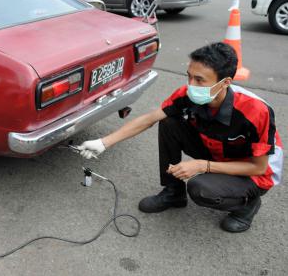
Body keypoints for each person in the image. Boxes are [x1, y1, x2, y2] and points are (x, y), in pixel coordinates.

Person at [77, 43, 283, 233]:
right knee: (169, 123)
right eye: (189, 76)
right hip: (217, 151)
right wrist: (104, 142)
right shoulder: (188, 93)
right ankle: (173, 192)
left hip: (253, 172)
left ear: (225, 82)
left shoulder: (255, 111)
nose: (191, 84)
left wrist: (203, 166)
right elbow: (150, 118)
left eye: (200, 80)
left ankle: (247, 205)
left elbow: (258, 167)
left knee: (200, 188)